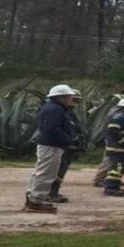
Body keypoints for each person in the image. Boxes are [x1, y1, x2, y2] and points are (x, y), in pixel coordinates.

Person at [24, 84, 76, 213]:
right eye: (69, 96)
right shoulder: (55, 110)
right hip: (51, 146)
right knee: (46, 174)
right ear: (61, 97)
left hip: (50, 145)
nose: (71, 99)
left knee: (42, 172)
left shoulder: (53, 108)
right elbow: (51, 129)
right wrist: (67, 139)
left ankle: (33, 199)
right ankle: (36, 201)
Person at [47, 89, 84, 204]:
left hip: (69, 145)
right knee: (57, 169)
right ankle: (51, 193)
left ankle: (53, 192)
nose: (75, 103)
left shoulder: (69, 112)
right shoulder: (60, 111)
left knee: (62, 169)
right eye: (73, 100)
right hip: (63, 146)